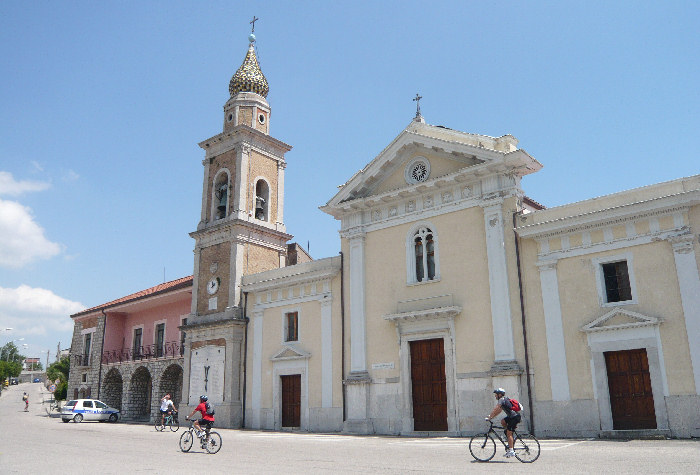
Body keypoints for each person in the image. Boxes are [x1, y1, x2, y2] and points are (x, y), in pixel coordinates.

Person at [486, 388, 521, 458]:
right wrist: (492, 417)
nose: (495, 396)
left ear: (500, 394)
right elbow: (498, 411)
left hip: (514, 417)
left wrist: (490, 417)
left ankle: (511, 451)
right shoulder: (504, 400)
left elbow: (496, 408)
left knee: (509, 433)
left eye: (496, 394)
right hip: (512, 417)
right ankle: (509, 439)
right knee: (503, 421)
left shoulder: (501, 400)